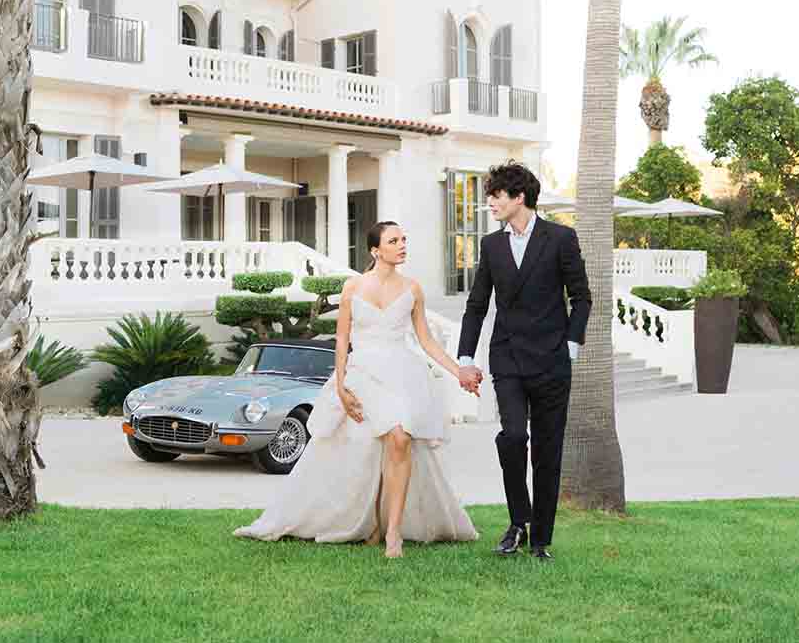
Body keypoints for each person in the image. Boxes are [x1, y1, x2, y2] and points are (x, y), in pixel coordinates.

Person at [235, 220, 478, 557]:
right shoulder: (353, 288)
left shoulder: (413, 289)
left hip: (403, 374)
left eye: (404, 239)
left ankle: (392, 532)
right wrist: (340, 384)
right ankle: (374, 525)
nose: (402, 245)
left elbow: (427, 341)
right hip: (362, 374)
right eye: (394, 241)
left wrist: (459, 371)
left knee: (401, 438)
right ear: (376, 250)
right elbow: (342, 338)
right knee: (373, 448)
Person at [457, 160, 591, 562]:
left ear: (520, 197)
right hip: (509, 359)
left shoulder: (561, 238)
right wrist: (466, 356)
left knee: (548, 452)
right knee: (513, 437)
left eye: (497, 195)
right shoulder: (491, 245)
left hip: (552, 361)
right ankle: (519, 519)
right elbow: (477, 305)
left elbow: (582, 297)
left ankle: (540, 541)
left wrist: (570, 346)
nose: (491, 203)